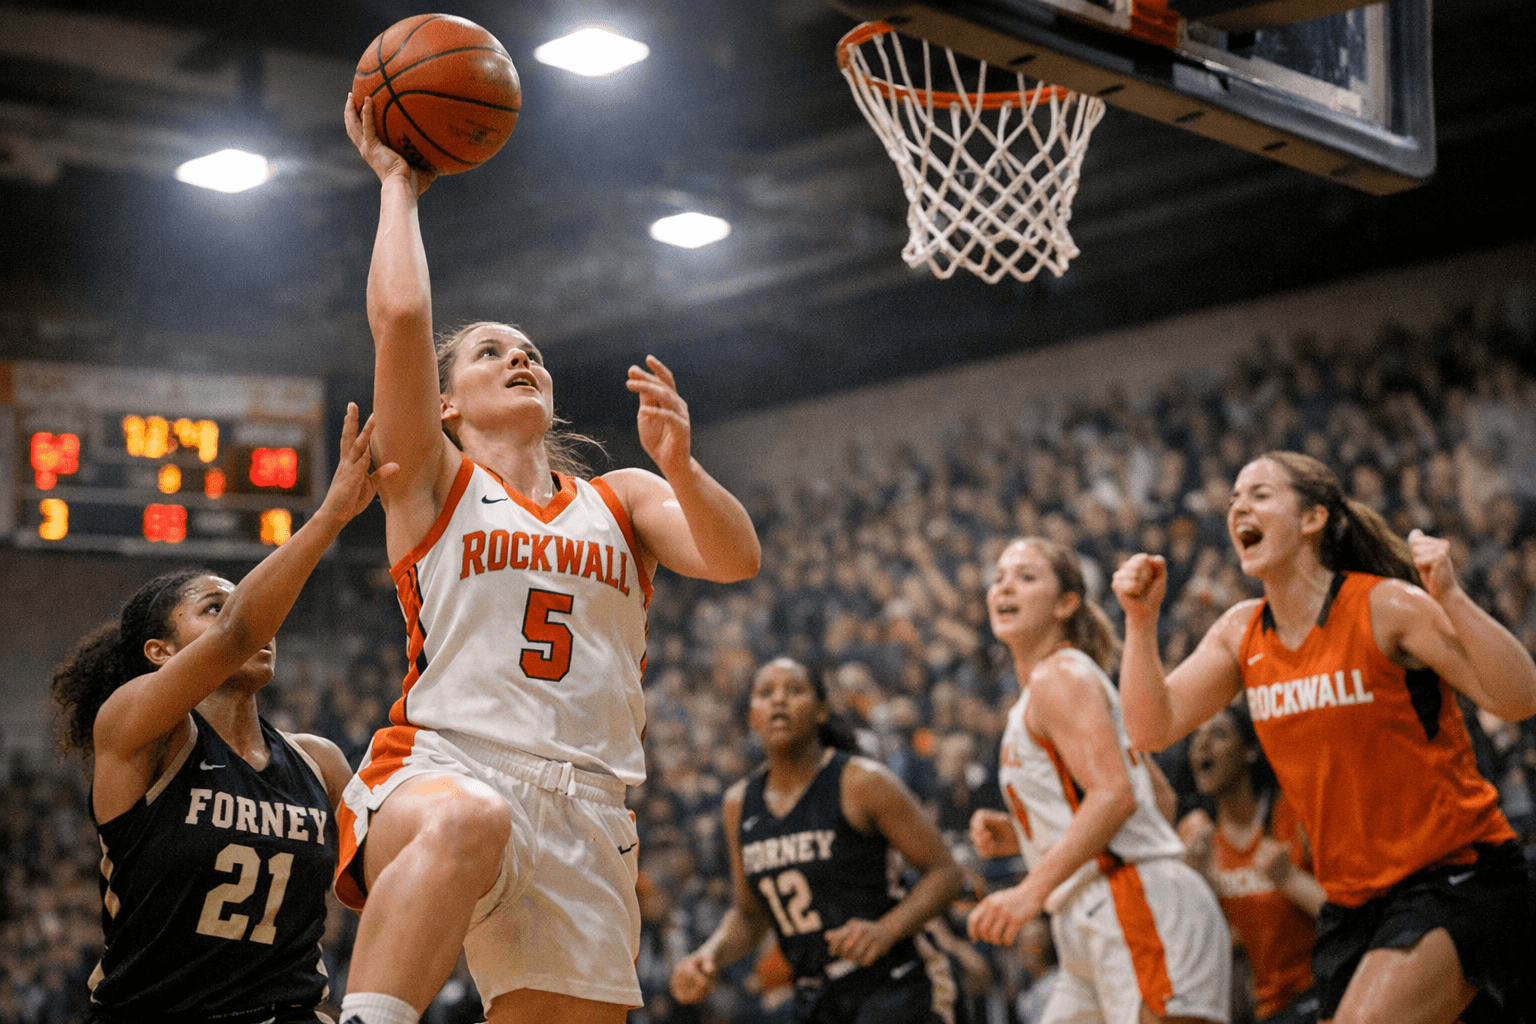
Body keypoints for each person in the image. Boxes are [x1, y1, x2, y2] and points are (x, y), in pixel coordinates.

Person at [337, 96, 763, 1024]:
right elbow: (403, 320)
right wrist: (398, 188)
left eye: (530, 352)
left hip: (590, 807)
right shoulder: (433, 482)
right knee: (470, 818)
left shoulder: (623, 498)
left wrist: (682, 469)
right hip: (446, 766)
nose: (519, 357)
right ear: (448, 405)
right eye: (491, 353)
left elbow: (734, 559)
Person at [1111, 451, 1536, 1024]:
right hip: (1355, 905)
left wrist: (1452, 598)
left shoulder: (1386, 606)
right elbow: (1148, 728)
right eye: (1234, 498)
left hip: (1455, 876)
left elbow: (1517, 697)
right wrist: (1140, 622)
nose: (1239, 507)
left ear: (1312, 518)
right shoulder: (1240, 631)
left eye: (1259, 494)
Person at [50, 405, 388, 1024]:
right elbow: (239, 632)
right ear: (162, 653)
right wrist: (333, 512)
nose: (260, 622)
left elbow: (384, 894)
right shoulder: (135, 729)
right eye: (213, 606)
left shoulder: (319, 761)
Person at [967, 537, 1230, 1024]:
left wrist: (1029, 891)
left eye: (1026, 577)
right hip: (1092, 915)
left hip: (1132, 901)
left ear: (1066, 603)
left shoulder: (1059, 676)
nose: (1005, 586)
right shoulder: (1054, 684)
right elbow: (1161, 799)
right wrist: (1028, 836)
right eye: (999, 576)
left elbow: (1116, 795)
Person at [670, 657, 962, 1024]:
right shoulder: (738, 804)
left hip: (894, 983)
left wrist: (887, 929)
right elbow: (749, 914)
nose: (779, 700)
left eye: (794, 690)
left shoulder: (861, 781)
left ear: (821, 711)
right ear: (752, 717)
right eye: (766, 692)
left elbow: (947, 873)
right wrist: (708, 954)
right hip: (815, 996)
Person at [1181, 701, 1322, 1024]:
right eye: (1196, 736)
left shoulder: (1293, 813)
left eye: (1218, 733)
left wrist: (1289, 879)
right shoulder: (1197, 837)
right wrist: (1200, 880)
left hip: (1320, 989)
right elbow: (1214, 946)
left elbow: (1348, 916)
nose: (1201, 744)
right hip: (1263, 1006)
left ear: (1250, 750)